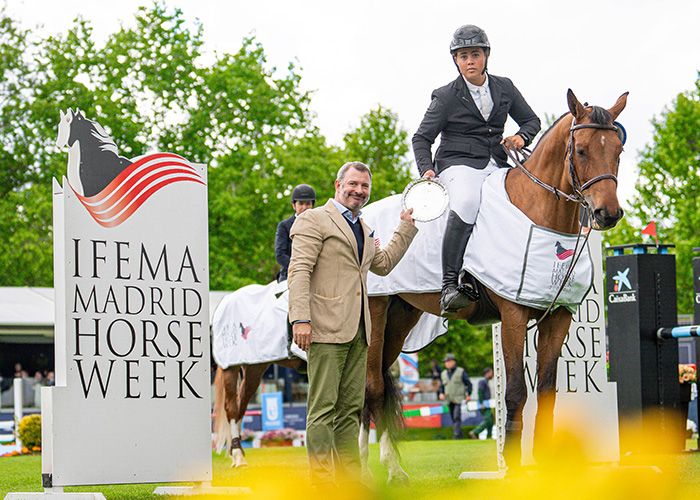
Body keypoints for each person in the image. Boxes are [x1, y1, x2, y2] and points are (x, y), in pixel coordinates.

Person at [288, 161, 417, 486]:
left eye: (364, 186)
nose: (359, 190)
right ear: (338, 185)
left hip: (360, 332)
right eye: (353, 184)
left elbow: (383, 265)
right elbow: (299, 270)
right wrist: (300, 318)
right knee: (323, 410)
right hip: (324, 328)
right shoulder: (313, 220)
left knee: (349, 411)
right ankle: (321, 483)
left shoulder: (364, 228)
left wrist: (406, 228)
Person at [412, 24, 541, 316]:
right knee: (469, 201)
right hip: (457, 164)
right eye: (463, 56)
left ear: (485, 56)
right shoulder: (445, 96)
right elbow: (421, 138)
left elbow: (531, 120)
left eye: (475, 54)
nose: (469, 61)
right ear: (456, 61)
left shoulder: (504, 87)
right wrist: (427, 171)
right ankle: (448, 285)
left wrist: (521, 137)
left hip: (496, 162)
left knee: (516, 205)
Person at [275, 184, 316, 282]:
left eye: (308, 204)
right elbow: (280, 254)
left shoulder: (320, 225)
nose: (304, 207)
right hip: (290, 274)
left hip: (315, 275)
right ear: (294, 205)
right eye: (301, 204)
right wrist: (301, 268)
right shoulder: (284, 226)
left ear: (312, 205)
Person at [439, 353, 473, 439]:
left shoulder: (461, 371)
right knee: (453, 418)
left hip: (459, 399)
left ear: (453, 362)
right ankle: (460, 435)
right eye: (445, 362)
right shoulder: (443, 373)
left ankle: (456, 435)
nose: (446, 363)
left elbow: (468, 384)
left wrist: (469, 394)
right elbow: (442, 386)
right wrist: (441, 393)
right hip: (449, 399)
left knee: (456, 416)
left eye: (448, 361)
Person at [470, 367, 494, 439]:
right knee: (488, 420)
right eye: (491, 372)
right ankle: (475, 432)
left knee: (490, 421)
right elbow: (480, 392)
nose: (492, 374)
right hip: (484, 404)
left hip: (487, 404)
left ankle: (489, 436)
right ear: (487, 373)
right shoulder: (482, 381)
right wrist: (481, 403)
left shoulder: (486, 382)